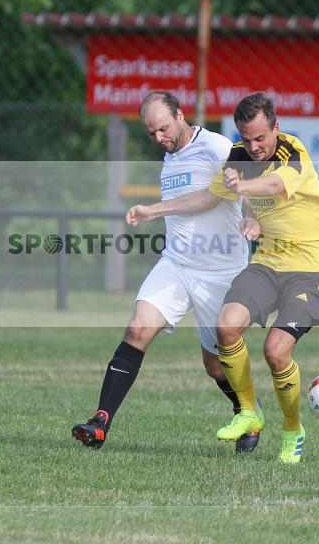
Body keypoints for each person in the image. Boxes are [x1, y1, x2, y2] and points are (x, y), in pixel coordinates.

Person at [126, 92, 319, 464]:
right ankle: (249, 411)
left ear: (276, 128)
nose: (254, 146)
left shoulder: (292, 152)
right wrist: (155, 210)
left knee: (276, 351)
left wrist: (242, 188)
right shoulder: (238, 157)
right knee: (226, 326)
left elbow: (275, 185)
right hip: (268, 263)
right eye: (246, 139)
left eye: (260, 138)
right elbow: (207, 197)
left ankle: (293, 431)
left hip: (311, 268)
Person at [72, 90, 262, 452]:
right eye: (151, 132)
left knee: (215, 366)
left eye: (163, 128)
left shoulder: (216, 147)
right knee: (137, 328)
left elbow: (236, 190)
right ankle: (100, 422)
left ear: (180, 115)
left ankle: (248, 410)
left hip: (221, 272)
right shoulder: (170, 157)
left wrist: (254, 218)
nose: (159, 137)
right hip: (176, 264)